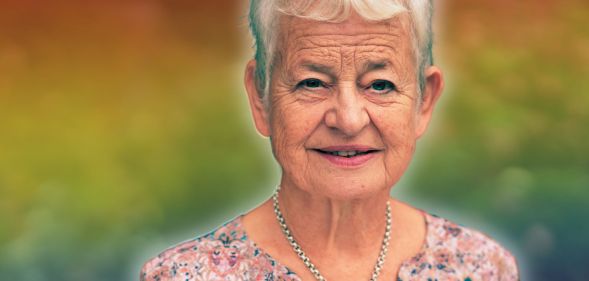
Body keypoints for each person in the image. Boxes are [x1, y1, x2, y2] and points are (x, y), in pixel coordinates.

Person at [140, 0, 519, 280]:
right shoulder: (183, 275)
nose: (349, 119)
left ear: (424, 101)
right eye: (312, 83)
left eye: (380, 85)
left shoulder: (482, 266)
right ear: (261, 97)